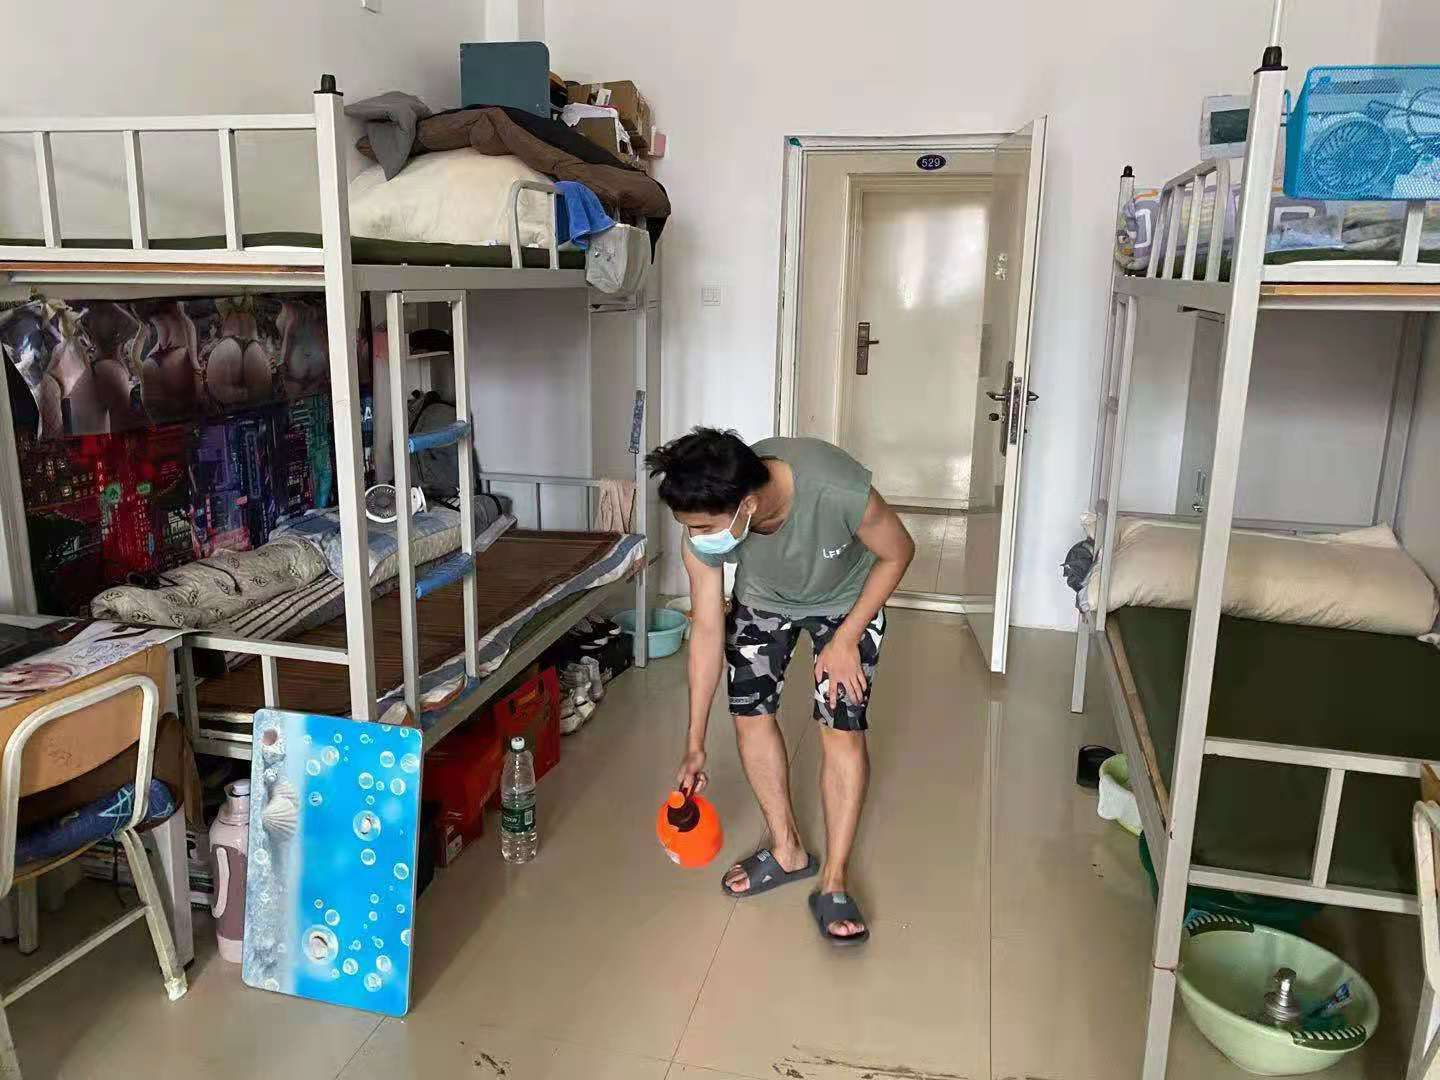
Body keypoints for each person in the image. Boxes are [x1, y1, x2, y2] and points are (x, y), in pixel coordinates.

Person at [645, 428, 914, 945]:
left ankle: (834, 880)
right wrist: (695, 743)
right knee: (750, 715)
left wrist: (846, 639)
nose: (696, 539)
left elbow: (899, 552)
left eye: (703, 528)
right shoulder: (704, 524)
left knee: (841, 728)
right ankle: (787, 850)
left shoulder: (836, 487)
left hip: (847, 601)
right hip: (765, 599)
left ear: (747, 505)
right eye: (688, 527)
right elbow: (706, 629)